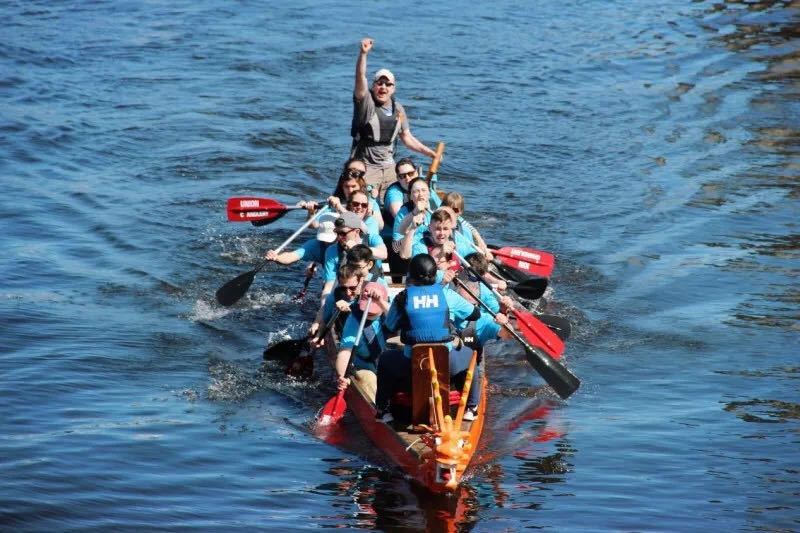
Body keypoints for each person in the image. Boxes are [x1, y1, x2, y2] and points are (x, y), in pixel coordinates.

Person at [375, 254, 508, 423]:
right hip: (448, 363)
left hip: (411, 365)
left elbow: (389, 327)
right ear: (434, 274)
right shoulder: (447, 295)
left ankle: (382, 410)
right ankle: (471, 408)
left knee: (385, 360)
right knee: (470, 355)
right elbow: (474, 314)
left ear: (411, 276)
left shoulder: (402, 297)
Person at [351, 38, 437, 199]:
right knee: (366, 200)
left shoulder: (398, 109)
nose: (383, 87)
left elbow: (407, 137)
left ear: (393, 88)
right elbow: (360, 77)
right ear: (373, 86)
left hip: (390, 167)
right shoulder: (366, 103)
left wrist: (430, 153)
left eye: (388, 84)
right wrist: (363, 54)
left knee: (396, 196)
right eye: (379, 83)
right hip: (367, 166)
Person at [333, 282, 391, 402]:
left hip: (388, 366)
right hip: (365, 369)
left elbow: (403, 317)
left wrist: (380, 302)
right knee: (368, 378)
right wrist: (342, 377)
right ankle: (378, 409)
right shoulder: (354, 319)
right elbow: (345, 352)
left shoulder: (389, 314)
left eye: (374, 309)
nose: (368, 312)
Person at [320, 212, 387, 301]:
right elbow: (330, 284)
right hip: (347, 291)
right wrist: (324, 305)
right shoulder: (332, 251)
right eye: (337, 233)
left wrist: (358, 248)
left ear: (356, 231)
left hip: (373, 287)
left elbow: (383, 254)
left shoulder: (372, 239)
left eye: (343, 233)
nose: (339, 237)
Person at [309, 262, 365, 342]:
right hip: (346, 334)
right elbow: (325, 321)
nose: (348, 293)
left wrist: (350, 307)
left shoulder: (369, 293)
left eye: (352, 288)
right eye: (343, 288)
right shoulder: (334, 297)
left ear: (361, 281)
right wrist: (318, 336)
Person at [328, 158, 383, 231]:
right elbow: (317, 225)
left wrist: (370, 210)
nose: (350, 190)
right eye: (352, 170)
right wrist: (311, 213)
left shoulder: (369, 199)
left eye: (361, 173)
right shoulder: (337, 197)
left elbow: (379, 226)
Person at [264, 212, 338, 265]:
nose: (326, 243)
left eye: (330, 240)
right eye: (324, 239)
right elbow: (292, 256)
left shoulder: (347, 247)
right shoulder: (315, 245)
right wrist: (277, 258)